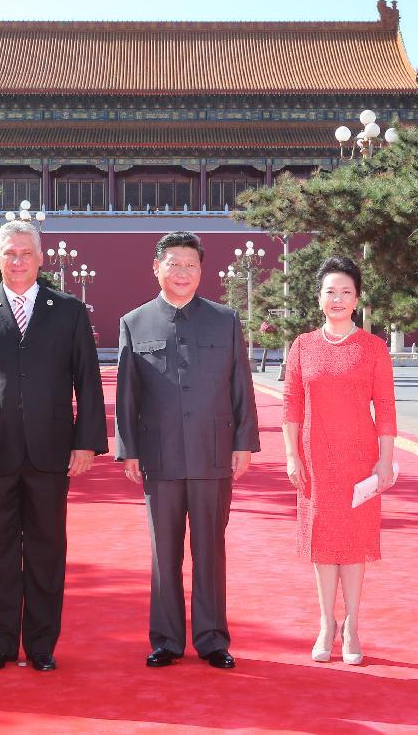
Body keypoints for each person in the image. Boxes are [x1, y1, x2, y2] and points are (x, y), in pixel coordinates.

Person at [0, 220, 107, 673]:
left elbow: (87, 381)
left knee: (45, 548)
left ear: (41, 258)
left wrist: (86, 443)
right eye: (9, 253)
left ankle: (41, 645)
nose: (17, 261)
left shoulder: (69, 310)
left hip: (51, 451)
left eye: (25, 253)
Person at [115, 231, 260, 670]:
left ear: (202, 271)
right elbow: (127, 395)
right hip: (159, 457)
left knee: (210, 549)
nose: (183, 273)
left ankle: (213, 638)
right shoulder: (135, 322)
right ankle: (166, 639)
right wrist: (130, 451)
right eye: (174, 264)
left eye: (191, 265)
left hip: (213, 452)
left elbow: (241, 386)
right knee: (165, 552)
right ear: (156, 267)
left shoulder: (224, 320)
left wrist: (244, 444)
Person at [281, 255, 397, 665]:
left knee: (354, 545)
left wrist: (385, 461)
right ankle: (326, 623)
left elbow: (385, 408)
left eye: (346, 292)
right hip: (315, 459)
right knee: (323, 544)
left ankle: (353, 626)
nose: (337, 298)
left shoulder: (373, 348)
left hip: (359, 460)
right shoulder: (303, 346)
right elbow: (292, 405)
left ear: (357, 299)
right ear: (318, 298)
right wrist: (292, 455)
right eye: (330, 291)